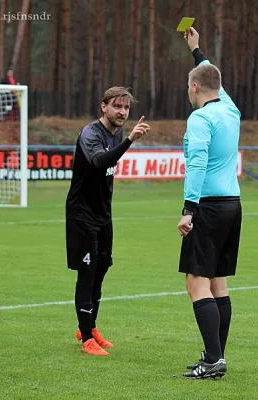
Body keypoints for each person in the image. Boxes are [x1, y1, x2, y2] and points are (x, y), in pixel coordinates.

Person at [65, 87, 150, 356]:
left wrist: (126, 140)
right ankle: (87, 338)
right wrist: (130, 142)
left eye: (126, 108)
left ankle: (88, 326)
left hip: (103, 215)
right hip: (82, 215)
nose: (122, 112)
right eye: (117, 106)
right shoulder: (91, 133)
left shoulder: (118, 133)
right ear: (104, 107)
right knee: (86, 273)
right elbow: (100, 162)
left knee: (101, 270)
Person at [177, 28, 242, 379]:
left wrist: (189, 209)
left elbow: (197, 162)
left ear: (195, 88)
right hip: (233, 204)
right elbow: (209, 72)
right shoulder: (230, 110)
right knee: (218, 283)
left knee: (195, 282)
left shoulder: (200, 117)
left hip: (209, 206)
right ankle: (215, 354)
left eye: (190, 84)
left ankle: (213, 359)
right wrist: (196, 49)